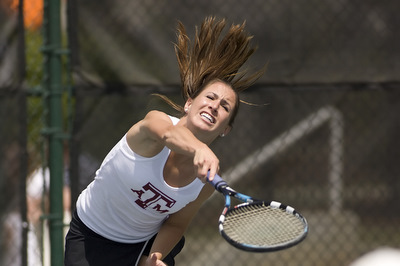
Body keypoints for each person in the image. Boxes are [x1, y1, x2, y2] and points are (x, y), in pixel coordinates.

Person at [64, 16, 264, 266]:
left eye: (224, 107)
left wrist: (154, 257)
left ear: (226, 129)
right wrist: (199, 148)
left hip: (147, 242)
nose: (214, 106)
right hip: (92, 237)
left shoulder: (204, 181)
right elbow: (169, 136)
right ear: (189, 104)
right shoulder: (155, 124)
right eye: (210, 97)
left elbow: (177, 223)